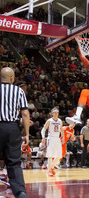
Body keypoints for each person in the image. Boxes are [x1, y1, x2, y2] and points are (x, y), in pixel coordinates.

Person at [0, 67, 30, 198]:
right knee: (14, 162)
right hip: (12, 128)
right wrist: (27, 134)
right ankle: (20, 192)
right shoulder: (18, 91)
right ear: (12, 78)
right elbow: (24, 113)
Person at [41, 107, 63, 176]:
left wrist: (63, 138)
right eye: (55, 112)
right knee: (50, 156)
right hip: (51, 138)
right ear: (52, 114)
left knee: (59, 156)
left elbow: (61, 130)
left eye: (57, 112)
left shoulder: (60, 121)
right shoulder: (49, 121)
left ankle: (51, 166)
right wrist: (43, 137)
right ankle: (50, 171)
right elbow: (43, 130)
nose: (56, 114)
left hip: (57, 139)